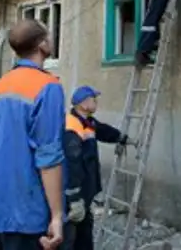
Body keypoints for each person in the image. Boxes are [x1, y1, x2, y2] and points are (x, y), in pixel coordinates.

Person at [0, 19, 66, 250]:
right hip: (27, 212)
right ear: (42, 44)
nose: (52, 38)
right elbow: (49, 157)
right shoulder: (48, 87)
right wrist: (56, 215)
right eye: (49, 35)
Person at [63, 85, 133, 250]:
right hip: (75, 192)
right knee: (70, 236)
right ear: (83, 103)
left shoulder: (87, 122)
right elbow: (72, 164)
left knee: (84, 232)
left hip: (85, 191)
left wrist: (122, 138)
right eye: (94, 99)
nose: (96, 102)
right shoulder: (72, 126)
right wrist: (74, 198)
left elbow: (103, 130)